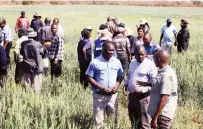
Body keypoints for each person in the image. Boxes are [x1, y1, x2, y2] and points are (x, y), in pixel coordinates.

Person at [86, 41, 123, 129]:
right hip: (99, 96)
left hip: (112, 97)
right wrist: (101, 88)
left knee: (113, 121)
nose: (111, 52)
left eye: (113, 50)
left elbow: (120, 76)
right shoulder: (95, 62)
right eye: (109, 50)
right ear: (103, 49)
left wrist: (117, 86)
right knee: (98, 122)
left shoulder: (117, 62)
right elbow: (89, 77)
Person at [124, 45, 157, 129]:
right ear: (135, 54)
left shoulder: (150, 64)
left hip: (143, 99)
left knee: (144, 123)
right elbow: (129, 75)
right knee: (134, 121)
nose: (141, 56)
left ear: (145, 53)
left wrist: (143, 90)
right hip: (132, 97)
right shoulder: (132, 62)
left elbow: (155, 83)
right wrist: (126, 84)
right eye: (138, 54)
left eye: (143, 54)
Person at [148, 49, 178, 129]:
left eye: (154, 59)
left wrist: (155, 117)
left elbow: (164, 99)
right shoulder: (163, 72)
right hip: (160, 114)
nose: (153, 61)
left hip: (162, 115)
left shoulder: (166, 75)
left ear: (159, 59)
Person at [20, 28, 45, 94]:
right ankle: (36, 99)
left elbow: (21, 53)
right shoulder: (38, 44)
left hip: (26, 66)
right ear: (34, 35)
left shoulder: (23, 43)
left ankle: (28, 96)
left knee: (27, 83)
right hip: (36, 66)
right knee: (36, 85)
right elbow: (43, 53)